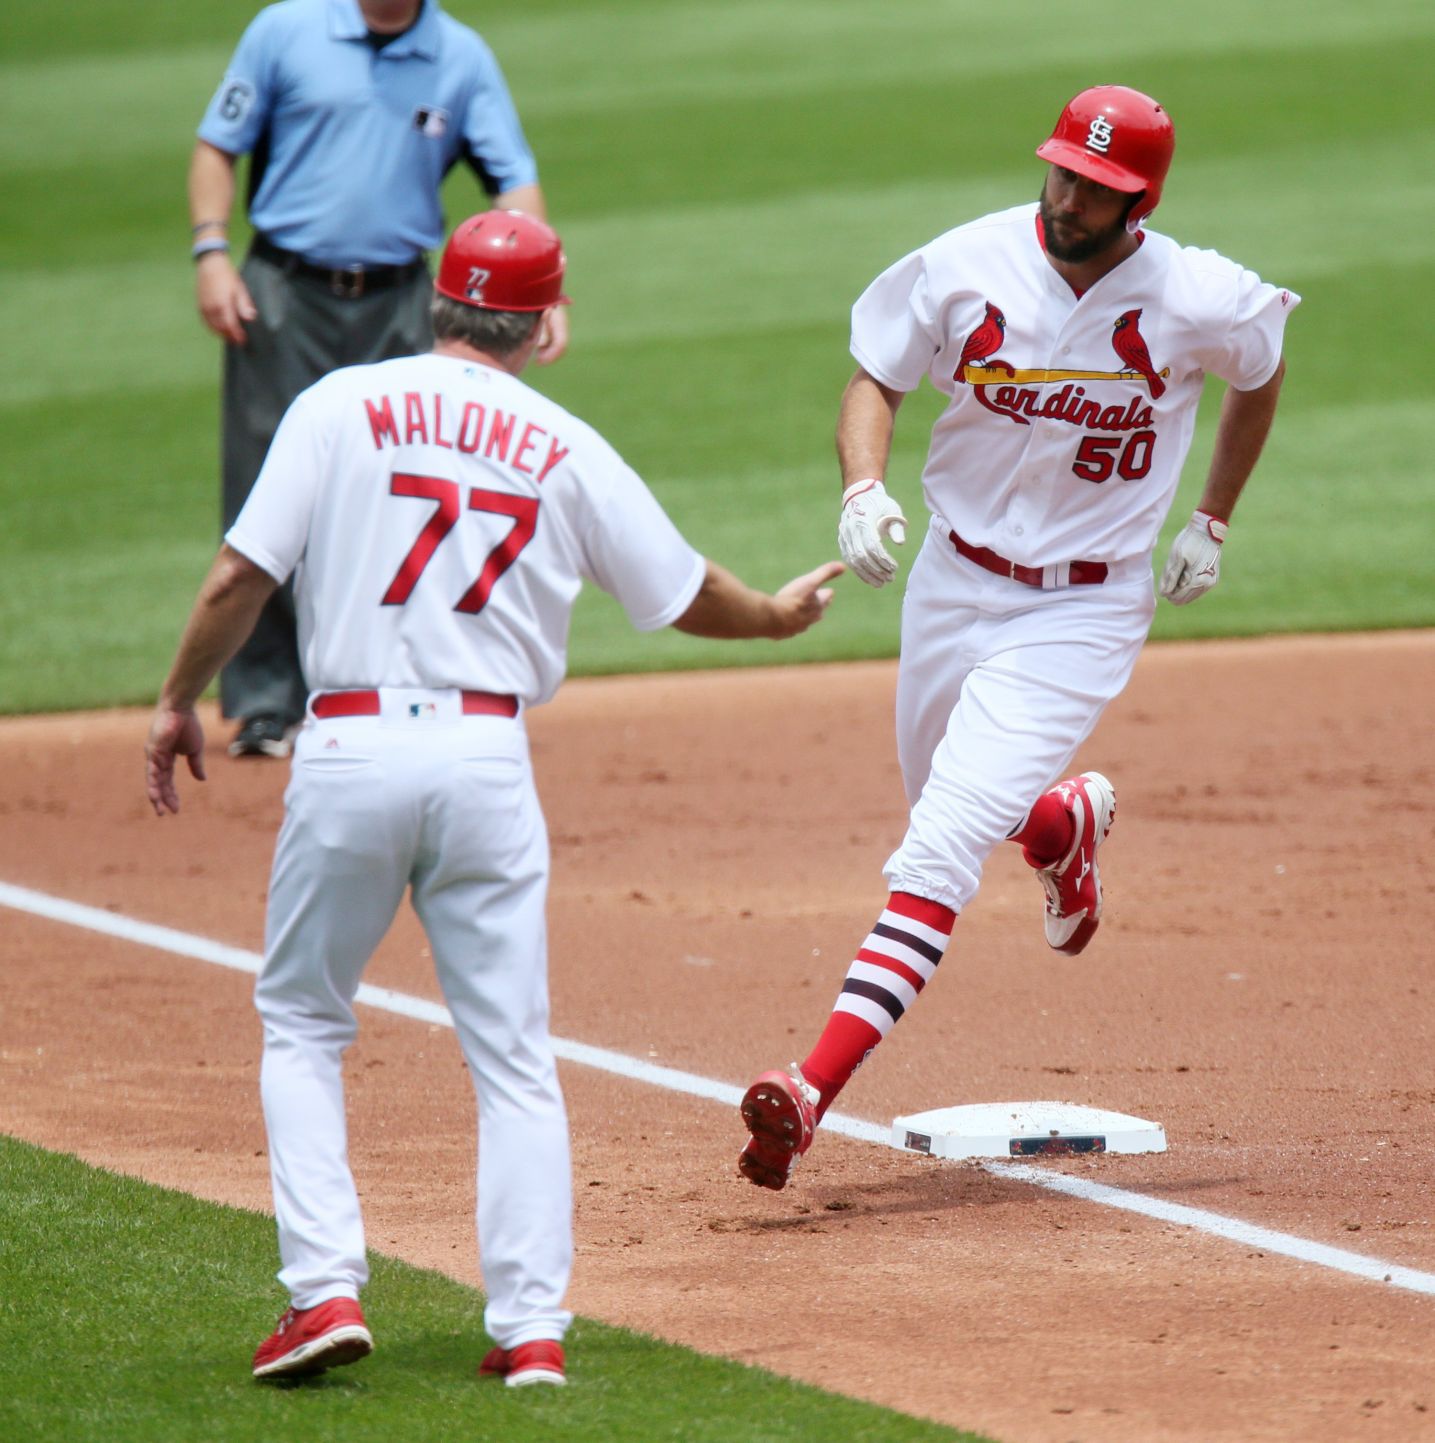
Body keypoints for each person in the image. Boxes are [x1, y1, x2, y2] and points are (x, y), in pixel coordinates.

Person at [145, 211, 843, 1381]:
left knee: (305, 1021)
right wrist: (775, 615)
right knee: (512, 1055)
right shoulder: (561, 440)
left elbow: (238, 576)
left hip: (353, 749)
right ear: (542, 322)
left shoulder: (338, 404)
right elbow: (681, 591)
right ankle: (530, 1330)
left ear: (438, 301)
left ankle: (322, 1295)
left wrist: (177, 697)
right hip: (485, 761)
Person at [737, 85, 1299, 1190]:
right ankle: (1059, 823)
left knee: (938, 843)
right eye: (1060, 171)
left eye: (1094, 186)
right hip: (951, 581)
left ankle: (808, 1092)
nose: (1067, 194)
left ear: (1138, 199)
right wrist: (860, 488)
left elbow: (1263, 369)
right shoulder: (962, 262)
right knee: (943, 801)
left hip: (1081, 610)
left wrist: (1213, 518)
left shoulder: (1195, 294)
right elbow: (877, 374)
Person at [190, 0, 568, 761]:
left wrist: (542, 288)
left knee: (409, 486)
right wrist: (211, 251)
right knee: (269, 485)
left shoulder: (458, 55)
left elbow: (513, 179)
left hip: (403, 301)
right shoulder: (284, 31)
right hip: (284, 294)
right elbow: (215, 145)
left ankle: (398, 682)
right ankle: (267, 701)